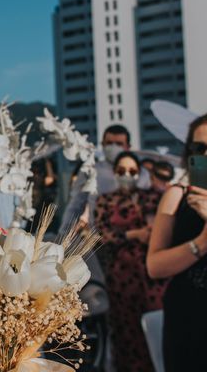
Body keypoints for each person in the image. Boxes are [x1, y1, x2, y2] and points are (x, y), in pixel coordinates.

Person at [95, 151, 167, 372]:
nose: (127, 175)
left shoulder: (151, 197)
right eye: (122, 171)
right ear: (114, 173)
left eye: (132, 171)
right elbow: (101, 233)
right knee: (127, 330)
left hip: (152, 273)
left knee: (157, 326)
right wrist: (133, 234)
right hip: (122, 275)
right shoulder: (105, 200)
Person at [147, 114, 207, 372]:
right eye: (200, 147)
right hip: (188, 317)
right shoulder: (176, 195)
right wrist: (202, 242)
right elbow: (154, 266)